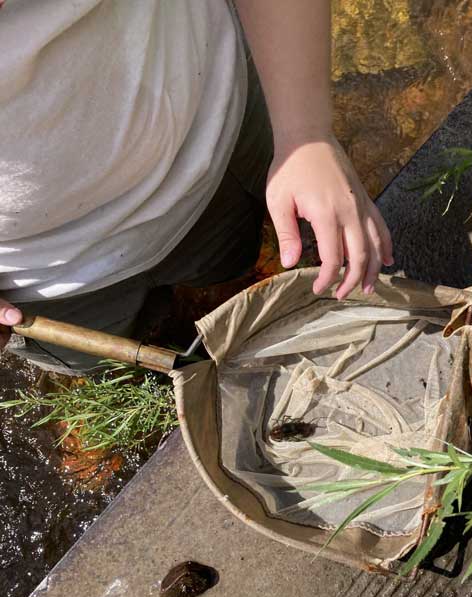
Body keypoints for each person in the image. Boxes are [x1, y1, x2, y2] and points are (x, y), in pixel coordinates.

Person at [0, 0, 393, 374]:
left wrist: (305, 135)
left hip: (206, 148)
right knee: (109, 375)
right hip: (41, 286)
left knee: (234, 265)